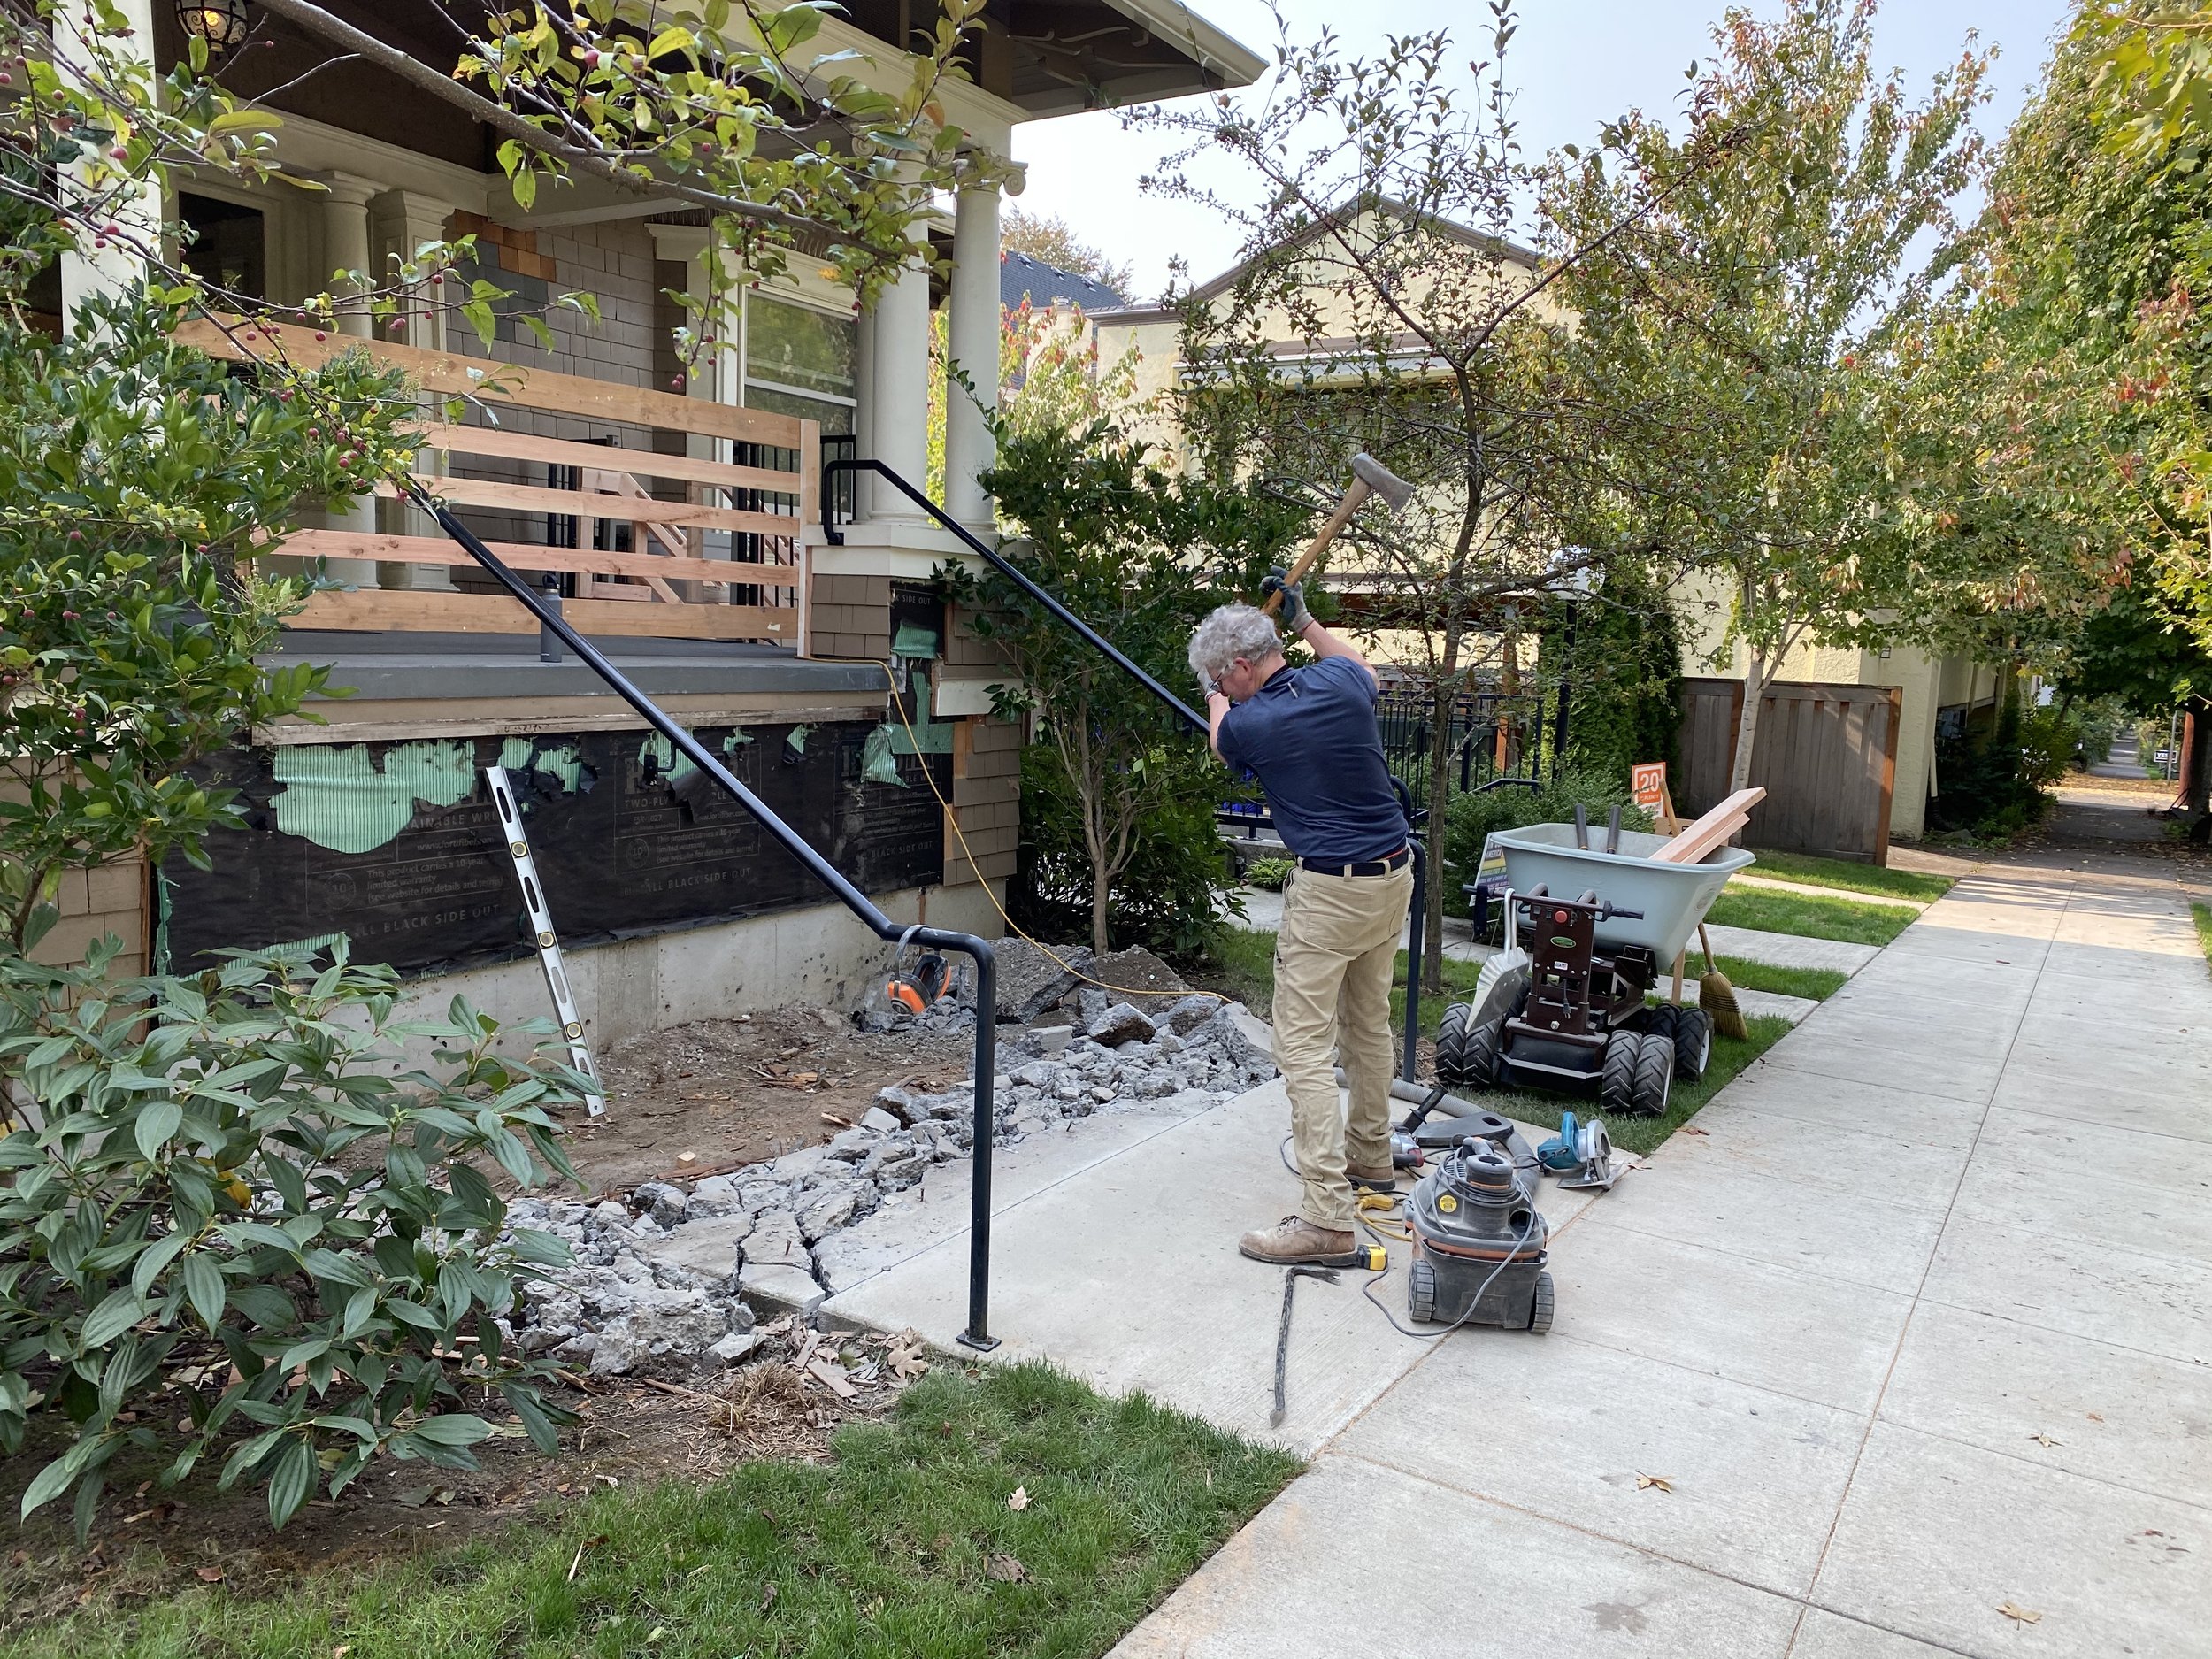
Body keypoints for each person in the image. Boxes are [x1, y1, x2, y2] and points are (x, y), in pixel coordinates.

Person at [1189, 571, 1412, 1264]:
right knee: (1367, 1021)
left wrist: (1211, 693)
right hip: (1394, 873)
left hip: (1333, 891)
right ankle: (1372, 1162)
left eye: (1225, 678)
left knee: (1303, 1050)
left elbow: (1220, 740)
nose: (1222, 691)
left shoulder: (1253, 719)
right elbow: (1362, 667)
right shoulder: (1338, 684)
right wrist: (1308, 621)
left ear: (1243, 668)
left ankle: (1326, 1217)